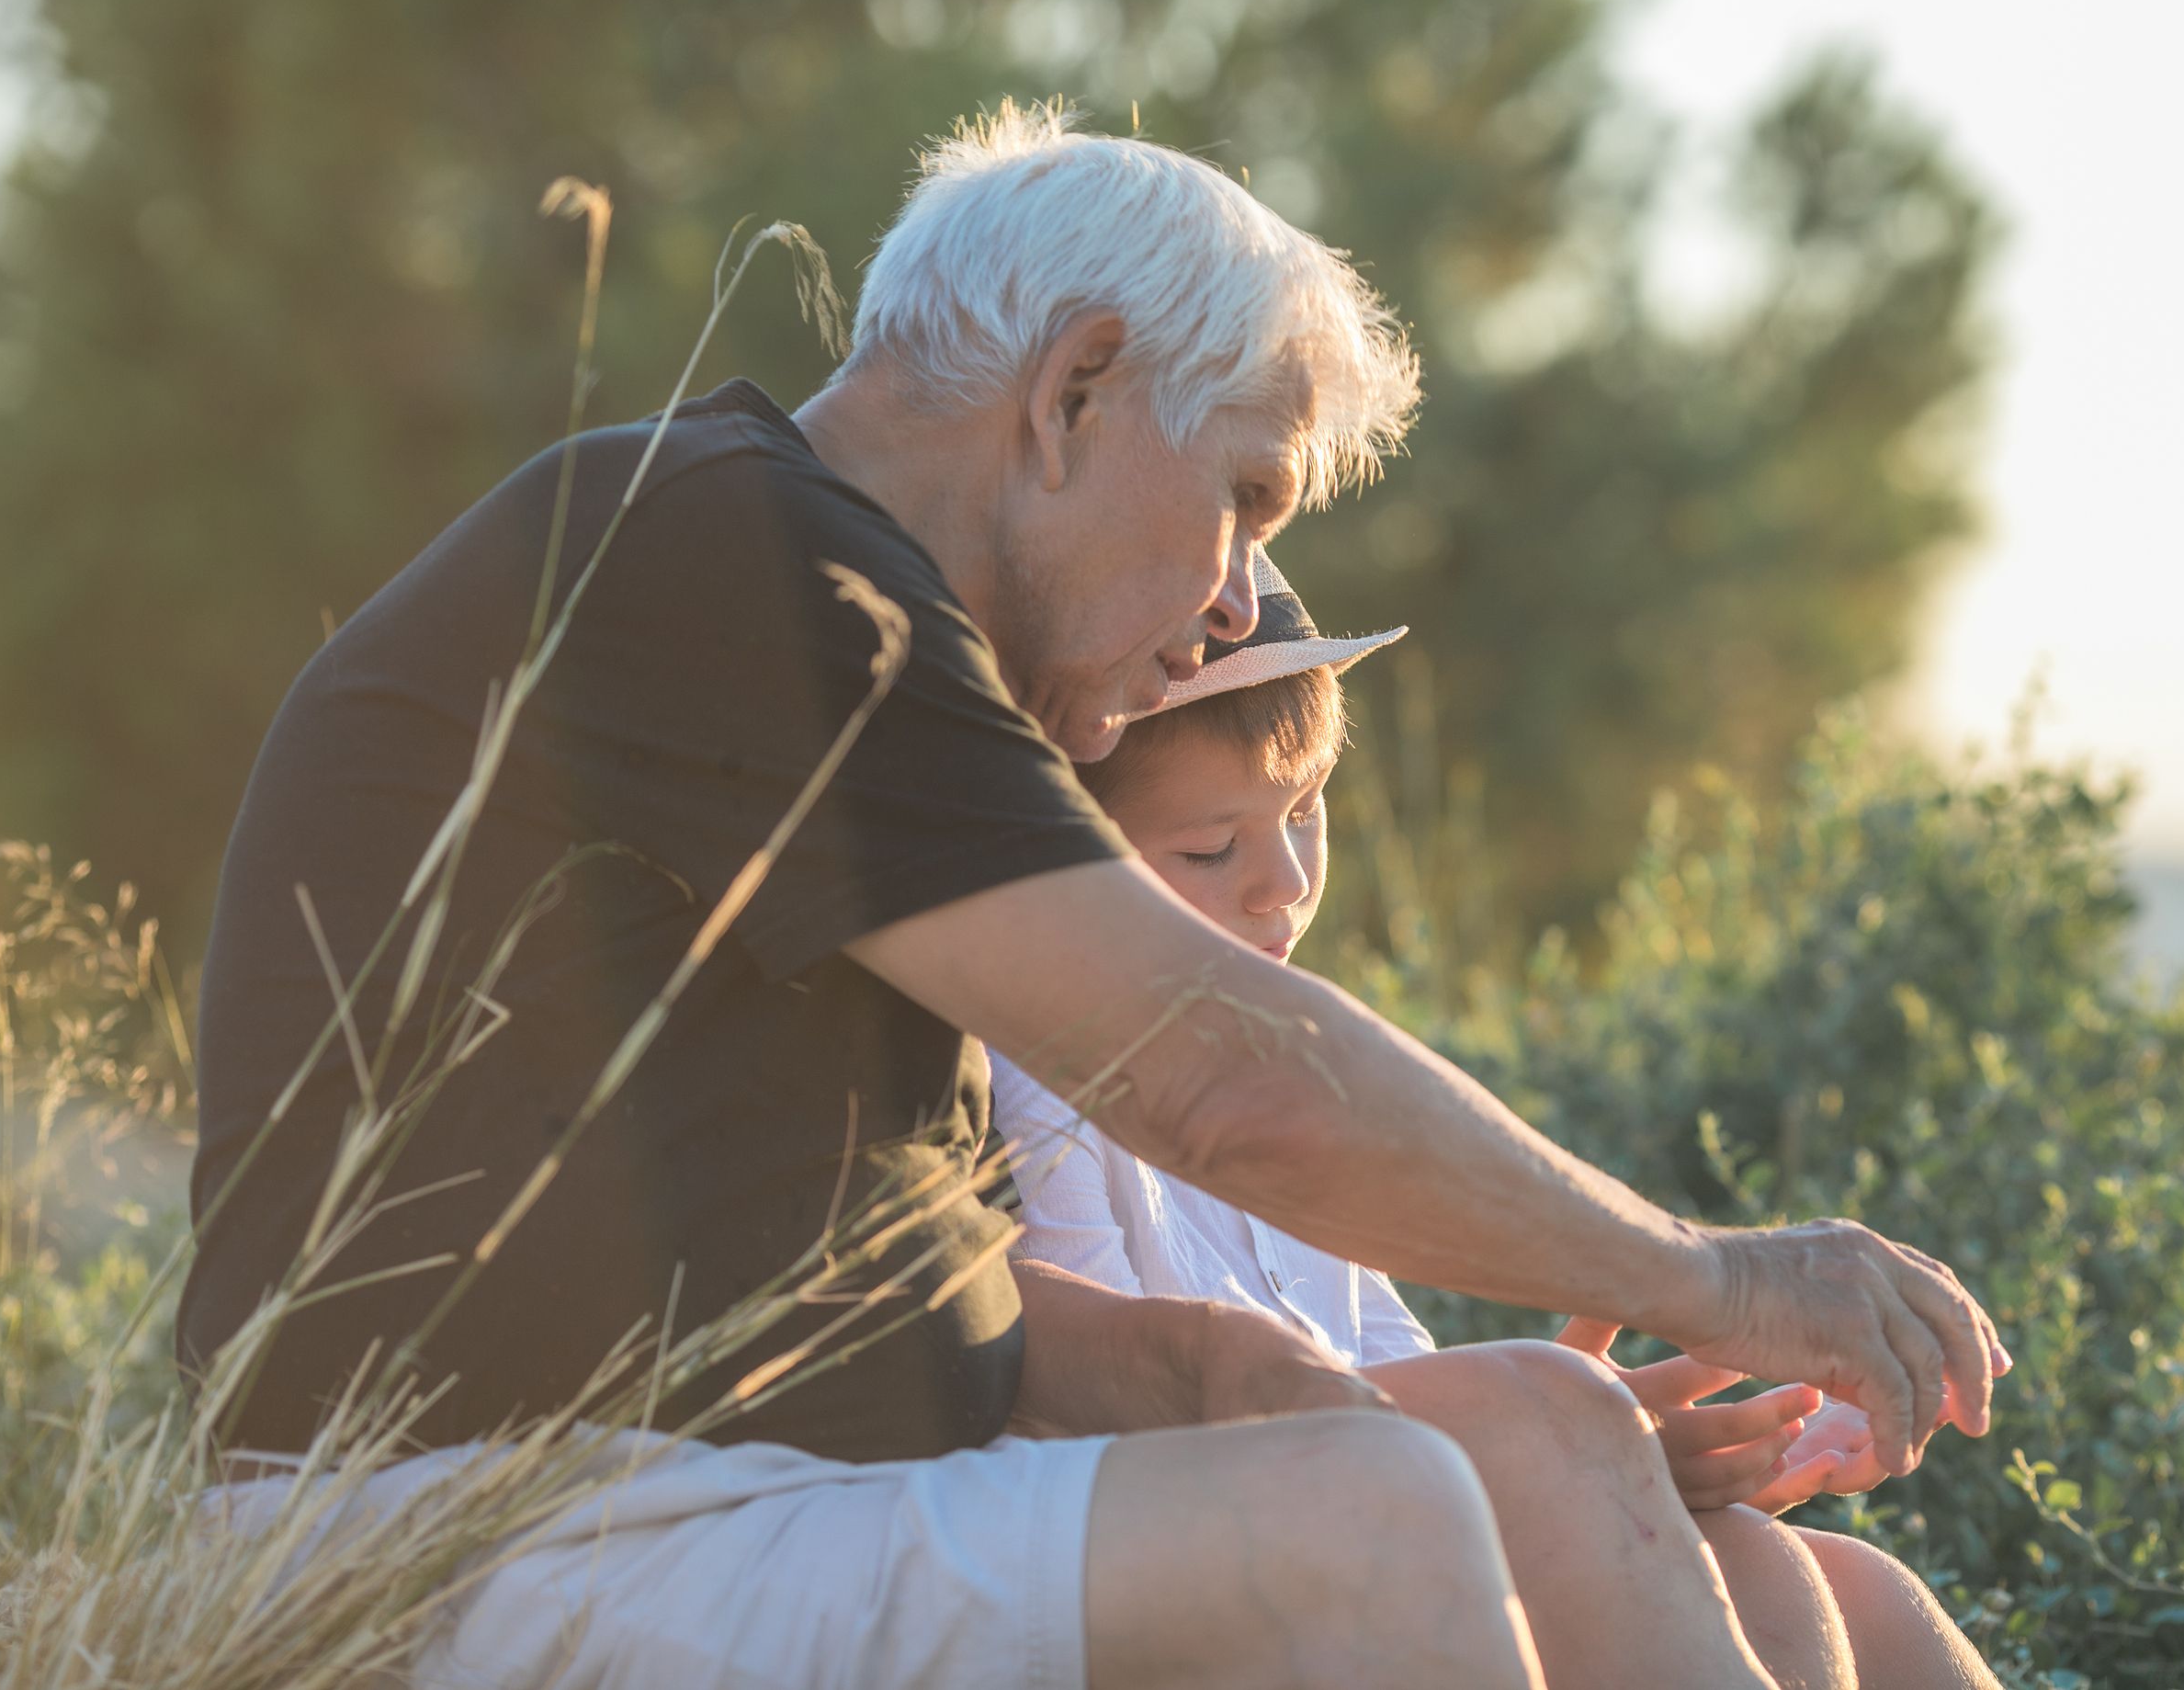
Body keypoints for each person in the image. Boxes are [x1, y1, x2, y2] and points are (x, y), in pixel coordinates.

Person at [181, 101, 2008, 1687]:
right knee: (1355, 1531)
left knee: (1473, 1450)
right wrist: (1706, 1275)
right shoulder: (745, 565)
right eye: (1245, 498)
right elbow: (1224, 1082)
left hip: (682, 1507)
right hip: (477, 1530)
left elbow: (857, 1275)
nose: (1237, 609)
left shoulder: (834, 626)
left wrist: (1219, 1369)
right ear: (1067, 393)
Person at [990, 558, 1999, 1690]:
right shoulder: (1038, 1075)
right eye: (1207, 849)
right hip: (1196, 1581)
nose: (1282, 880)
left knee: (1831, 1577)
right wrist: (1556, 1440)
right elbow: (1098, 1413)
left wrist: (1608, 1451)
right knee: (1696, 1532)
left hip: (1350, 1529)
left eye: (1307, 810)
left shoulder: (1304, 1056)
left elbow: (1393, 1367)